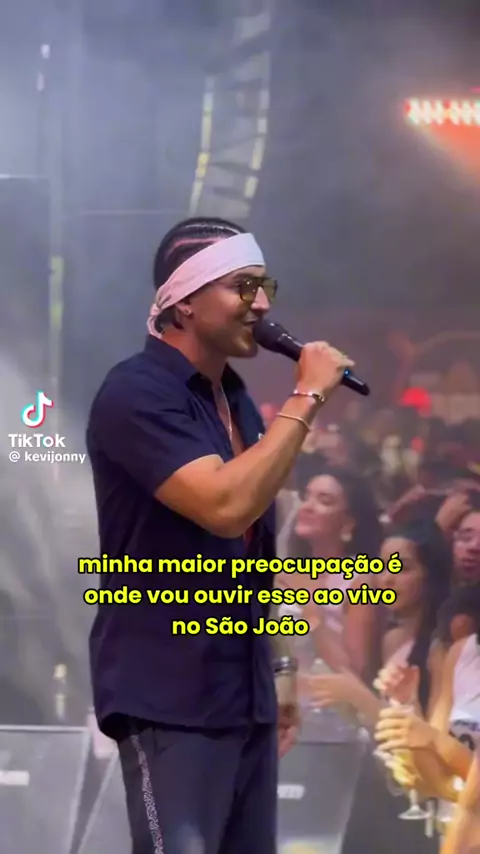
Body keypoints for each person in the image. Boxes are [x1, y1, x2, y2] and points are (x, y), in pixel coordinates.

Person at [86, 216, 354, 854]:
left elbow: (255, 550)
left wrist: (279, 664)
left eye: (265, 287)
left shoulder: (234, 400)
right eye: (243, 287)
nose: (261, 305)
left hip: (243, 693)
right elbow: (224, 507)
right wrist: (307, 395)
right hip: (170, 695)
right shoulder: (135, 392)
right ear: (184, 301)